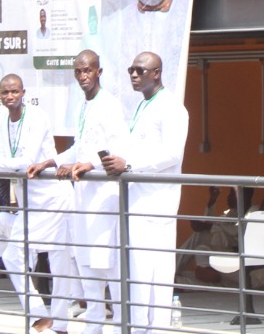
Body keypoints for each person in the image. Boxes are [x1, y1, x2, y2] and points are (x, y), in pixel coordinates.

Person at [100, 53, 190, 334]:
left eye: (140, 70)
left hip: (155, 205)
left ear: (157, 72)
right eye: (131, 69)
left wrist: (129, 165)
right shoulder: (144, 105)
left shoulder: (172, 107)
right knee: (136, 273)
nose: (134, 75)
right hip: (136, 201)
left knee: (153, 277)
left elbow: (172, 154)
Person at [0, 74, 72, 330]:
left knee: (59, 262)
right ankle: (40, 313)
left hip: (54, 198)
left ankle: (59, 324)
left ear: (23, 92)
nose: (9, 97)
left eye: (14, 92)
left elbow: (26, 160)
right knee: (12, 256)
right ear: (0, 95)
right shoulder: (3, 123)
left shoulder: (37, 117)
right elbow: (10, 165)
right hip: (29, 204)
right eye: (5, 93)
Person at [42, 50, 129, 334]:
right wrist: (52, 160)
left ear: (99, 72)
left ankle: (118, 329)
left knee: (111, 270)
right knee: (88, 269)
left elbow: (119, 151)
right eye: (78, 72)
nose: (83, 76)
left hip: (104, 199)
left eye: (88, 71)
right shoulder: (83, 105)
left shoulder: (110, 105)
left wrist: (89, 164)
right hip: (82, 198)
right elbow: (79, 148)